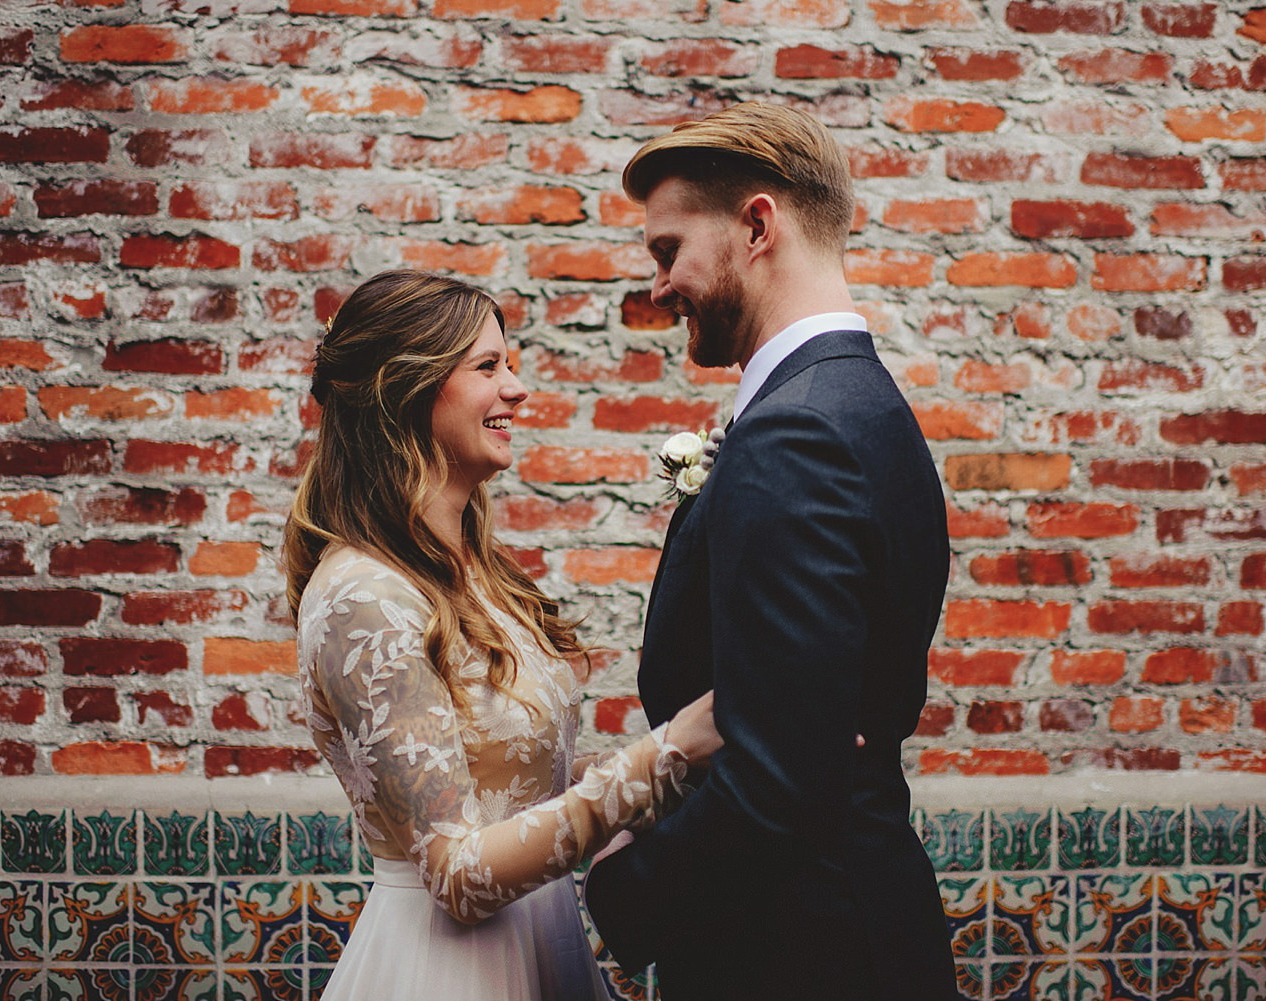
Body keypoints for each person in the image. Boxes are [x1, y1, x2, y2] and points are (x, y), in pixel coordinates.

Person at [583, 102, 960, 999]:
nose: (660, 285)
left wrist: (621, 887)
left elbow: (785, 774)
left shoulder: (798, 431)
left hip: (803, 952)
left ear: (757, 225)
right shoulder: (862, 403)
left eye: (668, 251)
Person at [283, 269, 721, 1001]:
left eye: (508, 364)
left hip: (541, 940)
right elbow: (456, 874)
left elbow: (514, 788)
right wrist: (665, 753)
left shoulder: (476, 573)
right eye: (489, 367)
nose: (516, 389)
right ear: (408, 390)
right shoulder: (366, 594)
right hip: (451, 968)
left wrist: (691, 770)